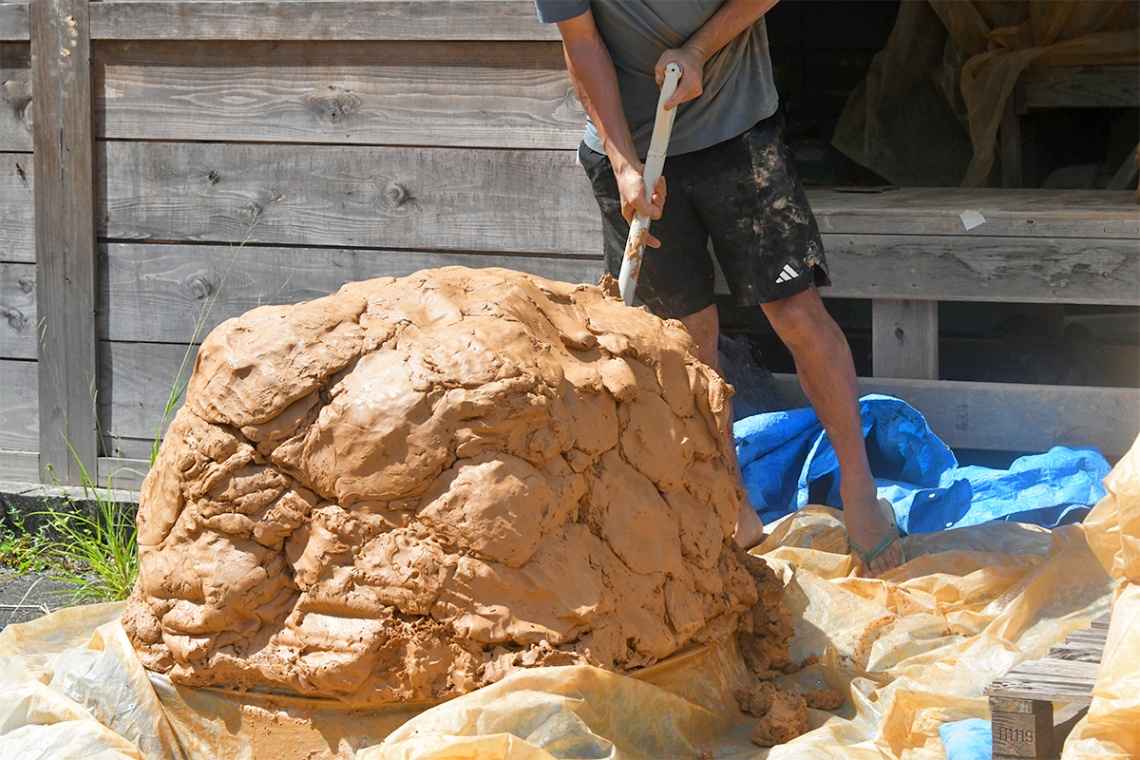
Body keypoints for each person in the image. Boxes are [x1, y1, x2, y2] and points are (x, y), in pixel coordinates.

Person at [534, 0, 903, 575]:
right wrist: (624, 164)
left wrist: (699, 50)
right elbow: (582, 44)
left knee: (796, 314)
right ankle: (733, 508)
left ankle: (859, 490)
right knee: (686, 340)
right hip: (634, 147)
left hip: (737, 131)